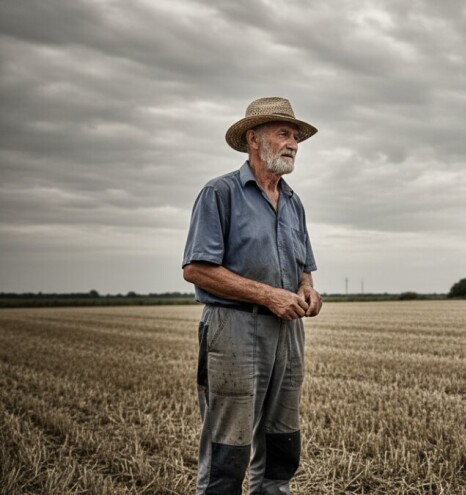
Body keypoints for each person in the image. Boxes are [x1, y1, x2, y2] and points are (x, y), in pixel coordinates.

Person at [182, 96, 322, 494]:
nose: (293, 143)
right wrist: (269, 295)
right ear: (253, 139)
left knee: (282, 440)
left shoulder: (294, 202)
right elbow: (196, 269)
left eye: (295, 136)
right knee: (229, 445)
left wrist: (308, 292)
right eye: (283, 133)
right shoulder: (220, 193)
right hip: (234, 328)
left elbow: (304, 270)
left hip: (288, 333)